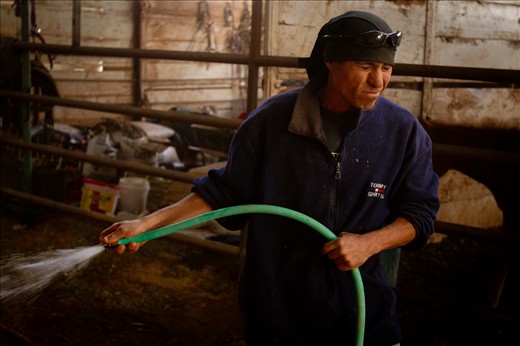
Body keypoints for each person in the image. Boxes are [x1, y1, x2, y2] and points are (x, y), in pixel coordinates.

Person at [100, 10, 439, 346]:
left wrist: (370, 243)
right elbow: (222, 195)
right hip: (280, 318)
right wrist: (147, 225)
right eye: (365, 67)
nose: (378, 81)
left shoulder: (402, 132)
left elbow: (420, 214)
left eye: (386, 68)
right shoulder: (272, 123)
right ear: (331, 62)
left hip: (365, 317)